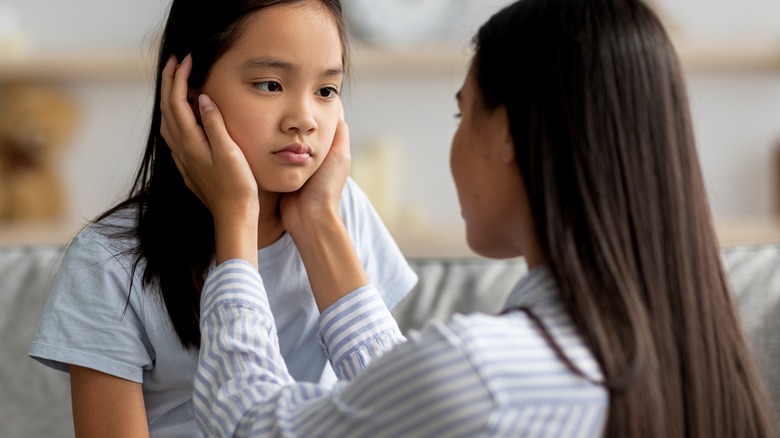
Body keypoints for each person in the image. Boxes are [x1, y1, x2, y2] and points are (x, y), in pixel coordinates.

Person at [165, 0, 779, 436]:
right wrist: (320, 220)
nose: (306, 116)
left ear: (507, 132)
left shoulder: (486, 369)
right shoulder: (693, 359)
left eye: (463, 115)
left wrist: (235, 222)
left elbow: (252, 424)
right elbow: (407, 406)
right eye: (271, 83)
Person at [28, 0, 417, 436]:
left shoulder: (343, 213)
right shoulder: (107, 260)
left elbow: (401, 412)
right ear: (189, 93)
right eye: (270, 84)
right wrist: (236, 215)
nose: (304, 120)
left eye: (326, 91)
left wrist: (320, 222)